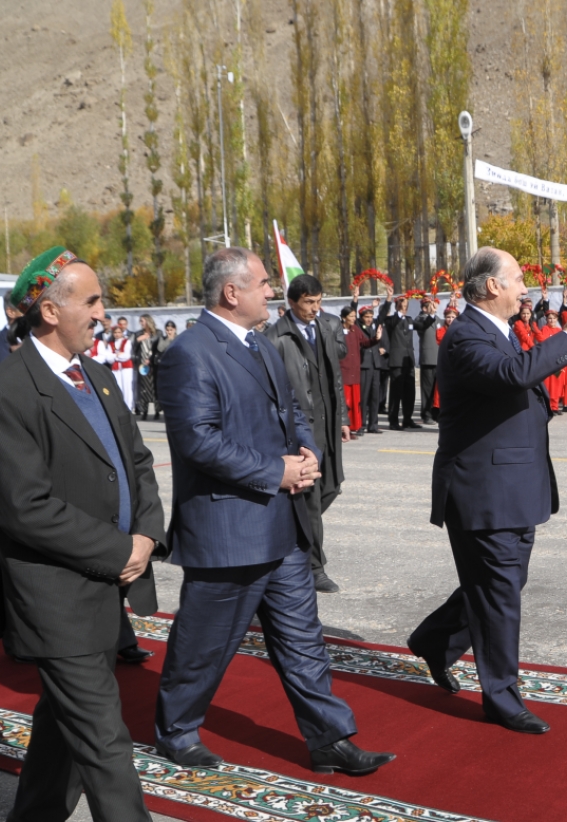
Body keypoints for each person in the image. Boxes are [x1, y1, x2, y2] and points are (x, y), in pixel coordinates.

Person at [155, 248, 393, 774]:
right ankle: (176, 731)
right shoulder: (190, 352)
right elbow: (197, 441)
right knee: (204, 644)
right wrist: (274, 471)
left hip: (281, 527)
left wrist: (308, 453)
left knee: (303, 642)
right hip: (229, 527)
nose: (271, 291)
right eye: (263, 283)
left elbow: (293, 411)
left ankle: (330, 739)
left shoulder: (261, 345)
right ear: (231, 292)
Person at [0, 248, 166, 822]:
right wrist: (120, 550)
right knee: (106, 743)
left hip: (107, 587)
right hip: (57, 597)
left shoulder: (98, 376)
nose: (104, 312)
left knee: (64, 726)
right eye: (93, 300)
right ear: (50, 311)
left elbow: (138, 463)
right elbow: (24, 510)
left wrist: (148, 537)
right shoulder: (4, 394)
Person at [408, 248, 567, 735]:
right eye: (518, 279)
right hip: (483, 491)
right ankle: (501, 696)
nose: (525, 288)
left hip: (512, 485)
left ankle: (436, 639)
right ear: (491, 286)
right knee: (500, 591)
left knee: (497, 587)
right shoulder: (466, 336)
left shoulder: (501, 329)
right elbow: (514, 375)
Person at [265, 274, 351, 595]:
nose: (315, 309)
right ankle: (315, 567)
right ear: (291, 302)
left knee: (332, 487)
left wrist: (342, 417)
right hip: (302, 432)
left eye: (318, 302)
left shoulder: (325, 329)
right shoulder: (276, 337)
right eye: (308, 303)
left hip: (328, 425)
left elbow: (335, 379)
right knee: (311, 500)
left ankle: (293, 531)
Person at [380, 290, 422, 430]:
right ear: (398, 305)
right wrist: (394, 303)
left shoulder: (409, 320)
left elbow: (423, 325)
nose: (406, 307)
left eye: (407, 305)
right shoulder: (391, 320)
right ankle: (393, 421)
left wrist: (431, 314)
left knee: (410, 392)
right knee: (396, 393)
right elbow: (389, 320)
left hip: (408, 361)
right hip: (397, 361)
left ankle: (407, 419)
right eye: (403, 304)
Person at [356, 303, 387, 434]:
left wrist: (389, 299)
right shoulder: (358, 326)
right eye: (366, 316)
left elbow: (383, 314)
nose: (369, 319)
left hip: (375, 364)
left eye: (371, 316)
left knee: (375, 396)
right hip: (365, 365)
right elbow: (353, 312)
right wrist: (356, 299)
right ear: (361, 317)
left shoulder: (375, 326)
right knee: (364, 396)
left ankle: (373, 424)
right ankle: (361, 424)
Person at [339, 306, 364, 437]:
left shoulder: (355, 330)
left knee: (355, 402)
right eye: (351, 316)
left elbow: (365, 342)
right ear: (344, 317)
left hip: (355, 372)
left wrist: (376, 338)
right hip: (344, 372)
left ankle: (354, 427)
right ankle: (344, 428)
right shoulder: (338, 330)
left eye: (355, 316)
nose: (354, 319)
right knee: (346, 402)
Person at [416, 297, 441, 424]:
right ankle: (426, 414)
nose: (435, 308)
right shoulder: (420, 319)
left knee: (437, 390)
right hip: (428, 359)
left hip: (439, 359)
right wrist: (431, 314)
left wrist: (452, 304)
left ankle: (436, 413)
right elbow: (423, 326)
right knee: (427, 389)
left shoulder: (437, 319)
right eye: (431, 306)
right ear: (424, 308)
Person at [133, 314, 161, 420]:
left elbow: (159, 348)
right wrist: (138, 340)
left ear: (148, 321)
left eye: (142, 321)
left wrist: (152, 359)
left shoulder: (157, 333)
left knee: (154, 388)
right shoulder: (138, 334)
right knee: (143, 389)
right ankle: (144, 410)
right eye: (140, 321)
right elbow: (133, 348)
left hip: (153, 364)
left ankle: (157, 411)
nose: (141, 323)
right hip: (142, 364)